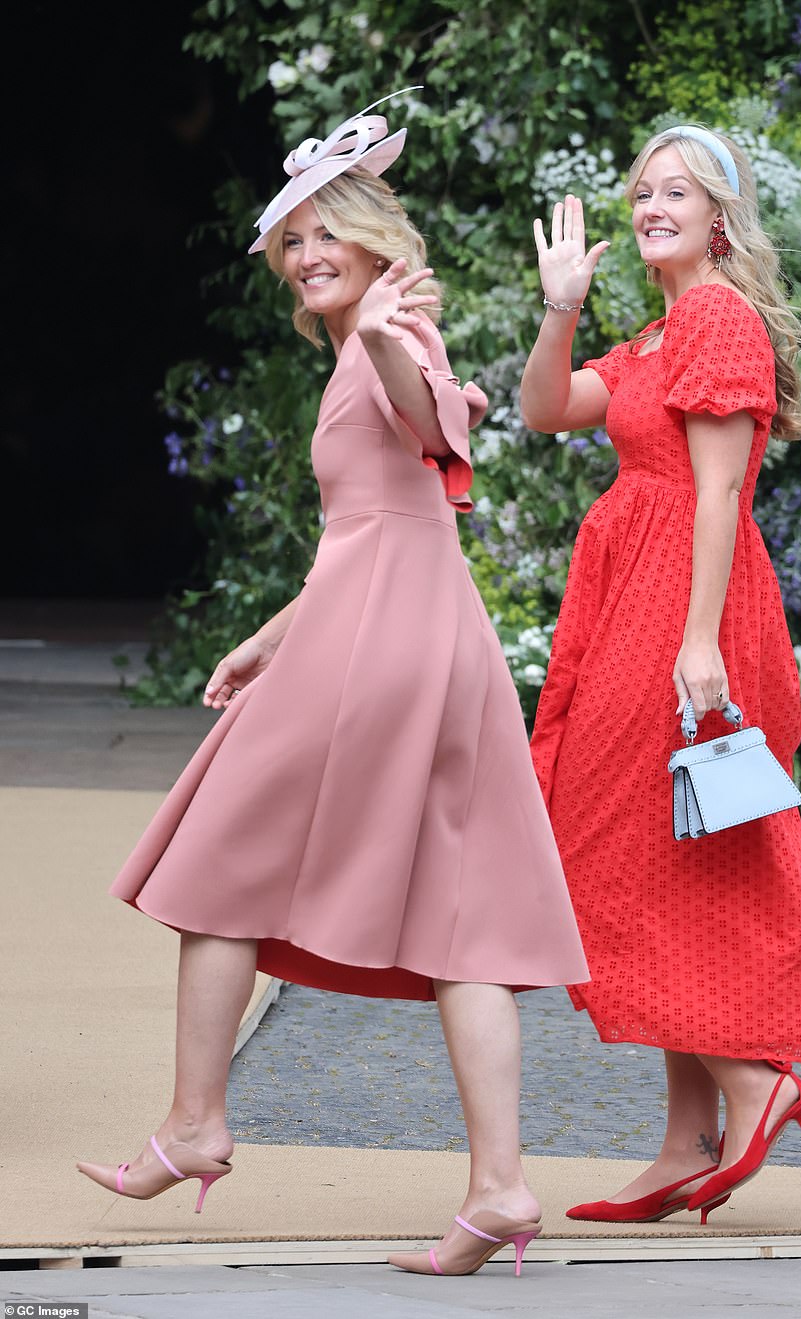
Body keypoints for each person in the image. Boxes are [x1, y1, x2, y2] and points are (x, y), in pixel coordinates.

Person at [76, 93, 589, 1277]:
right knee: (464, 915)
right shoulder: (380, 337)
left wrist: (381, 345)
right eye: (290, 243)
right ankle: (500, 1183)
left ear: (375, 241)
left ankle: (198, 1120)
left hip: (376, 641)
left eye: (324, 235)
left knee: (216, 867)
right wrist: (270, 632)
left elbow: (423, 430)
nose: (305, 256)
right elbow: (384, 522)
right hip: (422, 630)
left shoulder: (387, 336)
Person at [519, 124, 801, 1225]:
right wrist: (560, 305)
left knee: (607, 849)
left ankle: (754, 1081)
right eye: (640, 191)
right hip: (634, 598)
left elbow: (717, 494)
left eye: (677, 191)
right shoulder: (658, 333)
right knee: (658, 860)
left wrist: (697, 641)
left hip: (682, 606)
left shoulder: (715, 316)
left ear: (719, 219)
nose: (651, 204)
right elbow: (542, 410)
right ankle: (682, 1136)